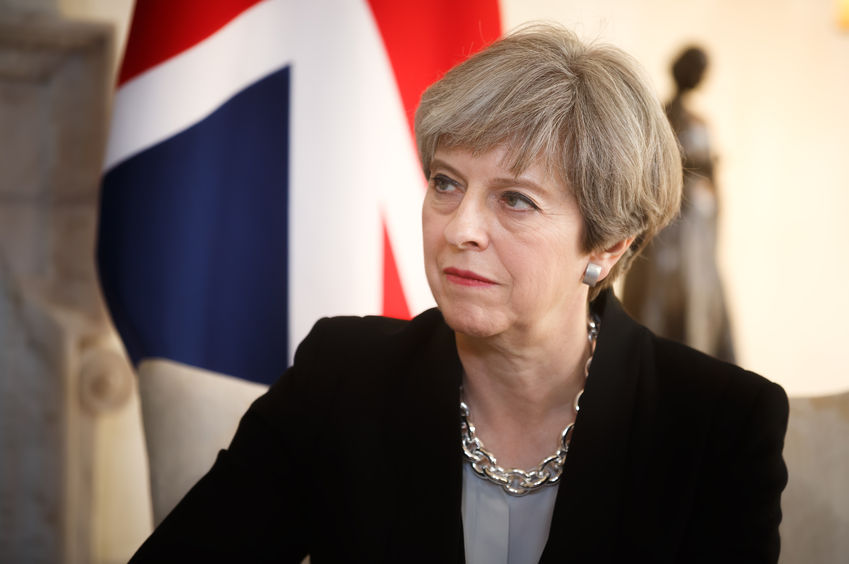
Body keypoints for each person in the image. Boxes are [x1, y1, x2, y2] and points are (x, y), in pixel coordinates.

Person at [129, 24, 788, 563]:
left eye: (515, 200)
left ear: (607, 247)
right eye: (445, 183)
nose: (459, 229)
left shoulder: (717, 423)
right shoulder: (341, 374)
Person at [623, 46, 736, 362]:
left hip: (697, 228)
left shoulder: (699, 119)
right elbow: (658, 169)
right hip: (671, 228)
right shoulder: (663, 117)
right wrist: (700, 165)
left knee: (700, 304)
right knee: (662, 303)